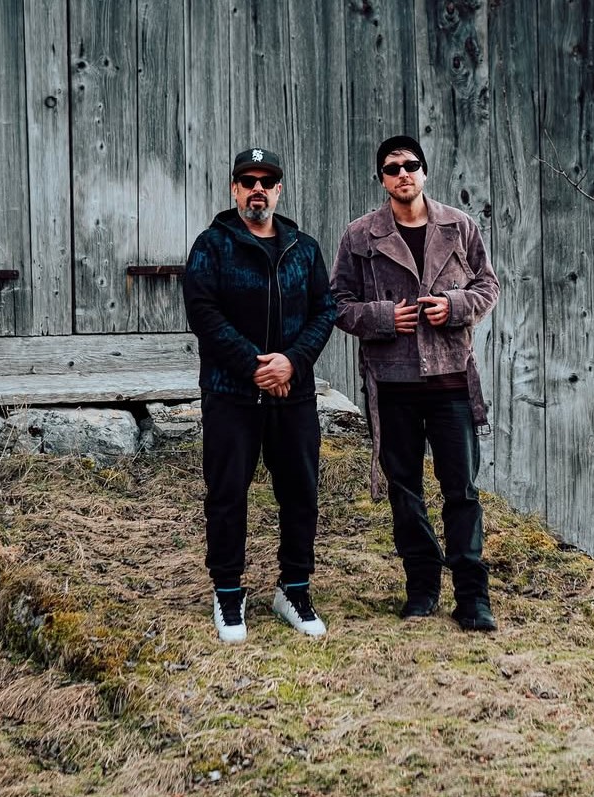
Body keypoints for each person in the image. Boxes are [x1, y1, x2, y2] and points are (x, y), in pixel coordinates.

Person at [330, 135, 501, 631]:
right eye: (392, 168)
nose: (402, 174)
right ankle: (422, 588)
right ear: (382, 179)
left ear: (424, 172)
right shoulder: (360, 235)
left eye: (410, 165)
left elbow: (488, 285)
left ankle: (472, 597)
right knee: (405, 492)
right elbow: (337, 302)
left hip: (451, 381)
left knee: (461, 490)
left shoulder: (459, 226)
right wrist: (383, 317)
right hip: (393, 384)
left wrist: (455, 306)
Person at [183, 147, 336, 643]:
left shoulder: (304, 249)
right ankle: (228, 593)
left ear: (278, 190)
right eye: (247, 181)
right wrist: (255, 366)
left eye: (266, 182)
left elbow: (325, 310)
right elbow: (203, 312)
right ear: (234, 189)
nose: (257, 190)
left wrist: (292, 361)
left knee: (301, 494)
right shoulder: (212, 246)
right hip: (232, 395)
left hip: (294, 395)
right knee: (228, 494)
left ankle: (294, 589)